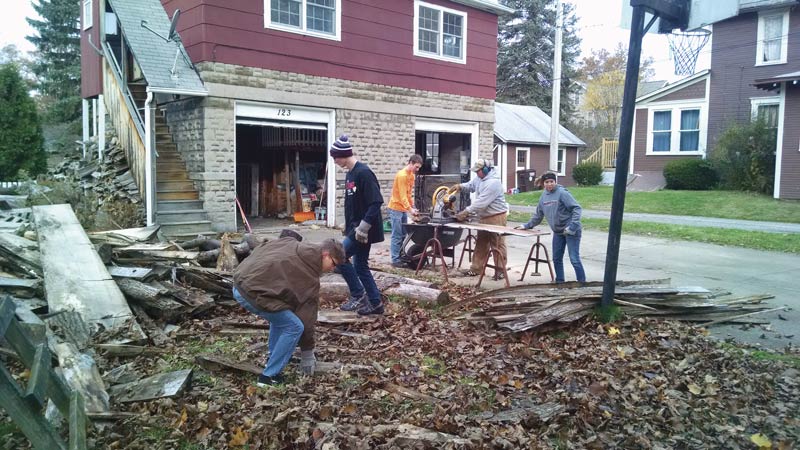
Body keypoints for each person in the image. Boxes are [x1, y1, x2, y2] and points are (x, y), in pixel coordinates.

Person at [232, 235, 346, 386]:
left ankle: (273, 359)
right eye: (333, 264)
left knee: (281, 315)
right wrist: (307, 354)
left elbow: (267, 244)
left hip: (240, 282)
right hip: (250, 292)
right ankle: (268, 377)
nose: (332, 269)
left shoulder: (291, 243)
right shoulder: (309, 276)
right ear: (325, 255)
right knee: (294, 326)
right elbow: (307, 320)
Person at [329, 134, 386, 315]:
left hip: (363, 230)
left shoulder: (364, 173)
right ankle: (375, 304)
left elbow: (376, 201)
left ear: (343, 154)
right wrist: (347, 227)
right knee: (360, 266)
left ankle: (358, 295)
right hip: (354, 229)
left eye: (335, 157)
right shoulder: (350, 174)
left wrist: (364, 226)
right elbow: (352, 204)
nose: (335, 161)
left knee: (339, 257)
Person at [516, 172, 586, 283]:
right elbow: (538, 215)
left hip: (571, 231)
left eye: (551, 182)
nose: (549, 184)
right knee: (557, 259)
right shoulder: (544, 196)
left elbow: (577, 208)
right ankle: (560, 282)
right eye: (547, 182)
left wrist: (573, 226)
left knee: (574, 259)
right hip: (558, 232)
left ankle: (582, 283)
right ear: (543, 183)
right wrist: (526, 225)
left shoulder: (562, 193)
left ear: (555, 182)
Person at [452, 158, 509, 279]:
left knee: (497, 244)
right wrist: (460, 186)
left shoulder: (494, 183)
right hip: (484, 216)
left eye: (478, 171)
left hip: (496, 216)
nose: (476, 173)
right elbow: (471, 185)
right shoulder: (480, 178)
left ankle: (500, 270)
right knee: (481, 243)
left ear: (486, 169)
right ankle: (476, 269)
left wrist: (465, 212)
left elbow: (480, 202)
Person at [387, 154, 423, 267]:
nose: (417, 170)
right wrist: (410, 210)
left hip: (402, 209)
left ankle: (399, 255)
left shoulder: (411, 176)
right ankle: (395, 260)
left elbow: (408, 195)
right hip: (395, 208)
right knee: (397, 235)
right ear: (411, 163)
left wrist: (413, 206)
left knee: (403, 234)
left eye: (419, 168)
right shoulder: (402, 175)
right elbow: (402, 196)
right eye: (416, 167)